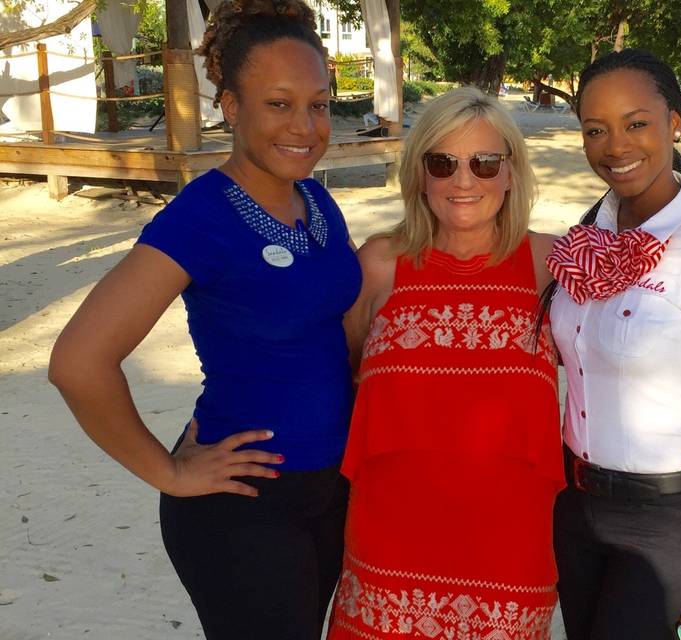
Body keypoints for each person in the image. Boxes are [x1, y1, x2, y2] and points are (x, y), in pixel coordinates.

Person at [47, 3, 359, 639]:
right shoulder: (201, 217)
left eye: (319, 103)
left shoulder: (317, 198)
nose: (305, 125)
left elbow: (338, 333)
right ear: (231, 106)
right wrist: (170, 472)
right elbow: (78, 363)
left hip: (330, 493)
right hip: (244, 505)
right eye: (278, 104)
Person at [326, 86, 562, 640]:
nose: (463, 181)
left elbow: (625, 357)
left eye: (484, 163)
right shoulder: (380, 265)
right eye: (443, 163)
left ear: (510, 173)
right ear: (419, 174)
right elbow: (334, 375)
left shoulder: (550, 264)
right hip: (389, 550)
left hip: (510, 553)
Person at [547, 49, 681, 640]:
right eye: (596, 130)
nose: (615, 146)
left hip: (663, 519)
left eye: (636, 123)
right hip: (576, 508)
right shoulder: (585, 242)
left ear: (674, 123)